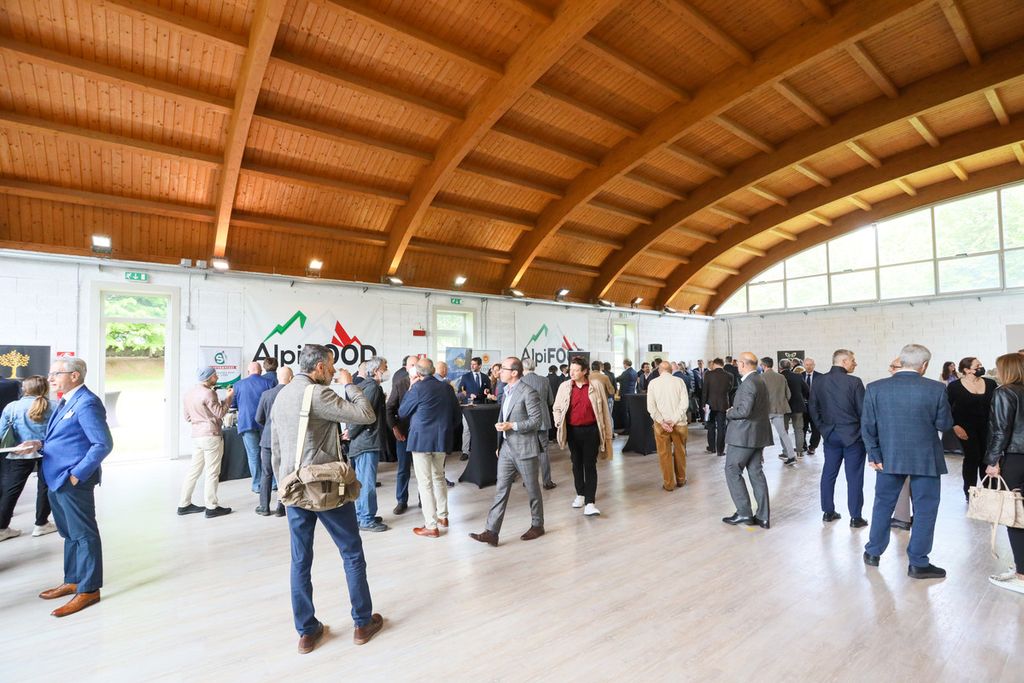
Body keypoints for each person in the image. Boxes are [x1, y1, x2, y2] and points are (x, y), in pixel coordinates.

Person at [270, 344, 382, 653]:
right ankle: (362, 623)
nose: (333, 371)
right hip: (326, 489)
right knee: (352, 552)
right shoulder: (319, 394)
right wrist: (350, 384)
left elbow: (276, 446)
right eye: (331, 366)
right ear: (319, 367)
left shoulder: (282, 395)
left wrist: (282, 484)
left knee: (300, 560)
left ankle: (307, 631)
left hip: (294, 488)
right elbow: (366, 414)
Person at [14, 358, 113, 617]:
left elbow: (102, 444)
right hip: (55, 477)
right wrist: (38, 444)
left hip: (72, 481)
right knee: (69, 534)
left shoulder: (87, 402)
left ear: (75, 375)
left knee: (84, 535)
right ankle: (73, 580)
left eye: (56, 373)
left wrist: (76, 475)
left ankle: (89, 589)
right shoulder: (66, 401)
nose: (50, 378)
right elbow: (65, 438)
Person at [862, 344, 953, 579]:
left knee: (883, 504)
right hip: (926, 458)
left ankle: (873, 552)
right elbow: (944, 424)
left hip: (888, 457)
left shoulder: (875, 388)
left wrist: (874, 454)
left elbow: (868, 426)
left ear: (901, 361)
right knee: (925, 509)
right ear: (924, 365)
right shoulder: (936, 389)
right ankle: (918, 562)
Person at [470, 357, 546, 546]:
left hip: (525, 448)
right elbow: (503, 416)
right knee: (500, 490)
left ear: (514, 372)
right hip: (506, 448)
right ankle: (491, 532)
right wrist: (500, 443)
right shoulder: (505, 391)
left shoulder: (528, 392)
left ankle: (538, 525)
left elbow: (536, 421)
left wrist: (512, 425)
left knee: (532, 489)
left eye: (503, 368)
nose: (499, 371)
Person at [399, 358, 460, 538]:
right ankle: (443, 516)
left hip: (421, 441)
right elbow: (457, 417)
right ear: (433, 370)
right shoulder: (447, 388)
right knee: (439, 477)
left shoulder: (417, 388)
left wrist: (410, 388)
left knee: (425, 483)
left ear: (417, 373)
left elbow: (402, 412)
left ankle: (431, 526)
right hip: (441, 440)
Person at [809, 349, 868, 528]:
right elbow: (863, 412)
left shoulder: (818, 381)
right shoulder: (854, 382)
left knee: (828, 473)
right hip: (853, 436)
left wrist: (823, 428)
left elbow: (813, 408)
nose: (855, 364)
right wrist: (862, 433)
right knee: (854, 477)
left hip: (830, 435)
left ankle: (828, 512)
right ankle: (855, 517)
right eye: (853, 360)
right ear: (844, 361)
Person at [983, 353, 1024, 594]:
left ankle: (1022, 575)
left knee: (1014, 515)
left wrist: (992, 460)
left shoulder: (1004, 392)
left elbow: (1001, 430)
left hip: (1014, 458)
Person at [552, 357, 614, 516]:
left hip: (591, 431)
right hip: (572, 431)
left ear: (585, 371)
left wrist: (608, 434)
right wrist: (558, 422)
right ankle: (580, 494)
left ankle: (590, 502)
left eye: (576, 370)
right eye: (571, 370)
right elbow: (557, 407)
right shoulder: (565, 386)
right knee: (576, 463)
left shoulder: (596, 385)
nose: (571, 373)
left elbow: (604, 410)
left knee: (590, 465)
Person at [0, 375, 57, 540]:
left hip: (19, 453)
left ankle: (1, 528)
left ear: (24, 389)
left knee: (11, 490)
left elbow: (1, 432)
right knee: (45, 487)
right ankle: (41, 524)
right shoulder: (55, 406)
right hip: (48, 452)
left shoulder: (12, 407)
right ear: (45, 388)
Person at [721, 352, 771, 529]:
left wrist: (729, 412)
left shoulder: (748, 383)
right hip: (757, 435)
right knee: (756, 473)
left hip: (743, 436)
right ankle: (763, 517)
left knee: (732, 470)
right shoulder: (760, 380)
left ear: (743, 364)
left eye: (738, 363)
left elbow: (744, 411)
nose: (737, 366)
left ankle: (744, 513)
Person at [179, 366, 234, 518]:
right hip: (211, 436)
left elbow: (187, 417)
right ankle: (211, 507)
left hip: (196, 436)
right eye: (215, 376)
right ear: (209, 378)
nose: (217, 378)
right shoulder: (209, 393)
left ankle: (184, 504)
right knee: (212, 472)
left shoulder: (189, 394)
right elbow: (220, 413)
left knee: (194, 471)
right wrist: (229, 398)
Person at [946, 356, 997, 501]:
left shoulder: (990, 383)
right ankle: (970, 492)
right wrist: (955, 426)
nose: (981, 368)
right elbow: (947, 408)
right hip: (965, 428)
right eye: (977, 366)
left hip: (988, 428)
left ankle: (990, 491)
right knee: (972, 458)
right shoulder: (954, 387)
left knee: (987, 458)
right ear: (967, 370)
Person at [254, 366, 293, 518]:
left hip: (267, 439)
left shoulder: (267, 394)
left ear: (278, 378)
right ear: (291, 378)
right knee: (285, 472)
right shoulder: (293, 394)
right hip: (286, 440)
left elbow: (259, 418)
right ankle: (281, 506)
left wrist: (268, 427)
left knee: (266, 473)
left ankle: (264, 507)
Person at [646, 361, 689, 491]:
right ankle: (681, 480)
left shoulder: (653, 383)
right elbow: (684, 404)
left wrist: (662, 421)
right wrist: (674, 420)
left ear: (659, 370)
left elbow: (651, 407)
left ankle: (668, 484)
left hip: (661, 425)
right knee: (680, 452)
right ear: (671, 370)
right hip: (679, 423)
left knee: (664, 454)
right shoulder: (679, 382)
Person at [234, 362, 272, 494]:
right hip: (266, 424)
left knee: (253, 455)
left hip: (247, 423)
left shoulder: (238, 385)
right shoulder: (268, 383)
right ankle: (273, 483)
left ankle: (257, 485)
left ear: (248, 372)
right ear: (261, 371)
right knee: (269, 453)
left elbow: (233, 405)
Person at [519, 357, 556, 489]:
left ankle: (528, 481)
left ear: (523, 368)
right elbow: (551, 401)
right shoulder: (544, 380)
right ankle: (547, 482)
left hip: (526, 421)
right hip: (542, 421)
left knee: (527, 452)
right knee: (544, 451)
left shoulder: (520, 381)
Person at [386, 355, 417, 515]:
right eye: (412, 365)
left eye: (417, 364)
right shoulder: (400, 384)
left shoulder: (426, 384)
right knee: (403, 469)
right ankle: (401, 501)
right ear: (406, 367)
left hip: (421, 436)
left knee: (423, 471)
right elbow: (389, 408)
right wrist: (395, 428)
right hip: (403, 434)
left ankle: (423, 500)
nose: (415, 368)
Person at [760, 357, 796, 466]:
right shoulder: (781, 377)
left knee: (760, 434)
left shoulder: (760, 377)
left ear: (764, 366)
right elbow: (788, 394)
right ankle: (791, 456)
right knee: (783, 434)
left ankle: (759, 458)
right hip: (779, 409)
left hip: (765, 410)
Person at [702, 358, 732, 456]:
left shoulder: (708, 374)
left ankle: (712, 448)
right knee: (721, 428)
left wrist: (703, 404)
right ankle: (720, 450)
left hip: (710, 404)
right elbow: (730, 389)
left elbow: (705, 391)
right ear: (722, 364)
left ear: (714, 364)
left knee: (711, 426)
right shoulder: (729, 375)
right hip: (723, 404)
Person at [780, 359, 808, 458]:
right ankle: (800, 451)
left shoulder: (779, 377)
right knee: (799, 430)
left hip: (783, 407)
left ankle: (786, 452)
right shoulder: (798, 376)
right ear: (790, 366)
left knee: (784, 431)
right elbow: (806, 390)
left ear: (780, 367)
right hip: (798, 406)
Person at [803, 358, 823, 454]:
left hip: (816, 407)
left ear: (814, 365)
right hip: (803, 407)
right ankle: (803, 445)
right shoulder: (799, 376)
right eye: (807, 364)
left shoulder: (821, 377)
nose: (809, 366)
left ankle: (812, 447)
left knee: (816, 428)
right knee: (802, 427)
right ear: (804, 365)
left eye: (811, 364)